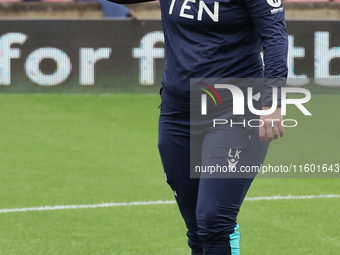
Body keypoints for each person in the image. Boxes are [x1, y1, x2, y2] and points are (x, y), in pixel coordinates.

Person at [108, 0, 288, 254]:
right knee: (196, 229)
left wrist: (273, 101)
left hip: (235, 108)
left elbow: (275, 36)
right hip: (178, 112)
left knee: (214, 220)